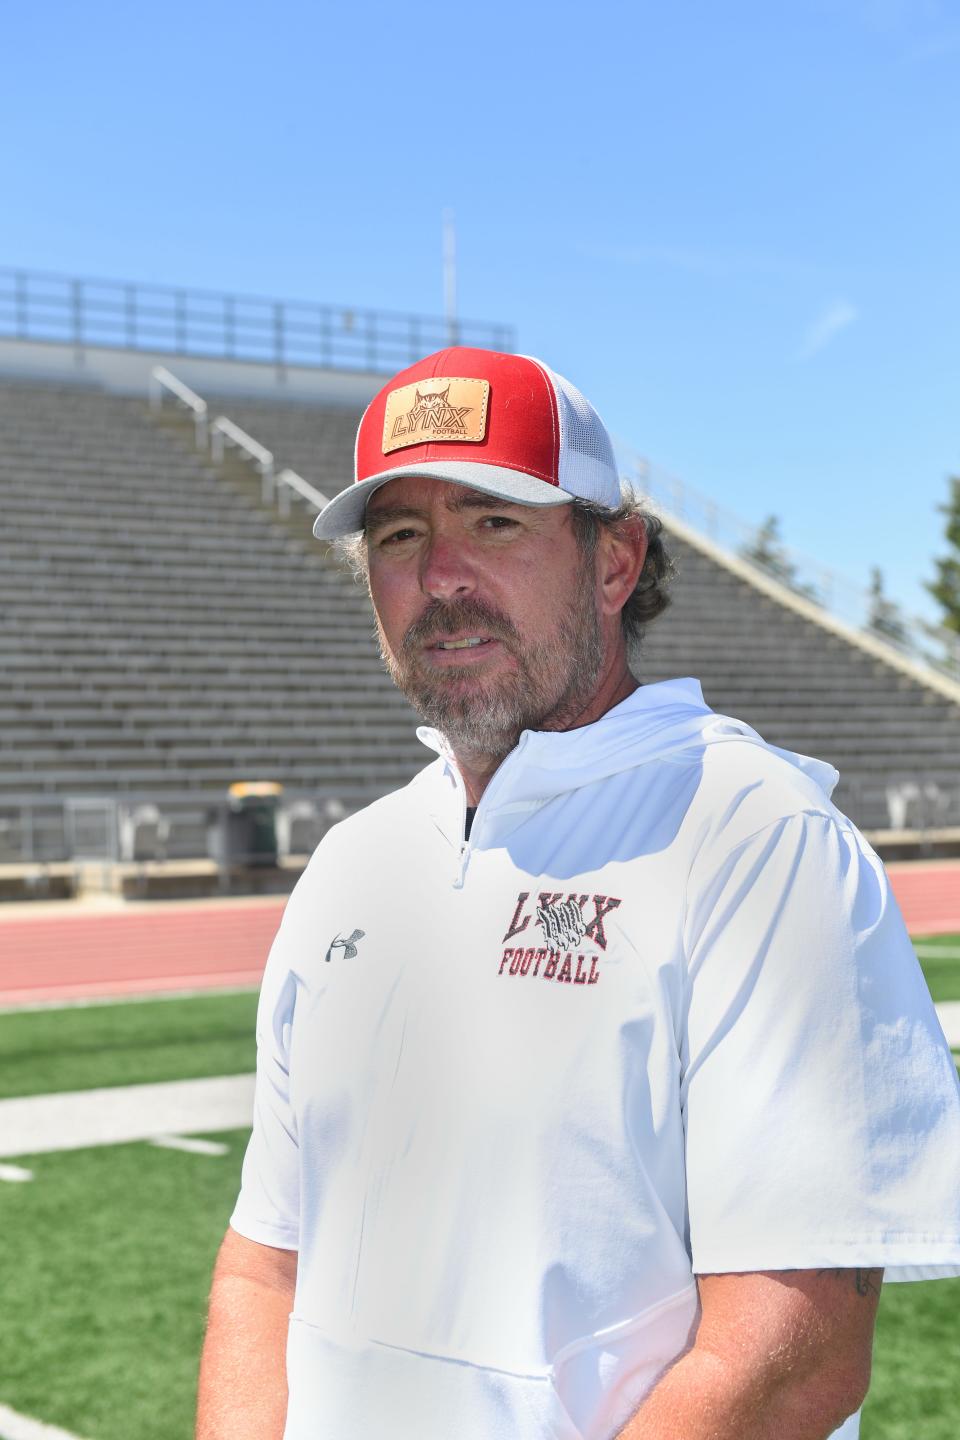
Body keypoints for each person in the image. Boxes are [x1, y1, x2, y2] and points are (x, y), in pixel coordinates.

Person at [196, 348, 960, 1440]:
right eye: (401, 537)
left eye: (494, 522)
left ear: (617, 560)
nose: (441, 577)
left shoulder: (753, 835)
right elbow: (263, 1269)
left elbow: (789, 1357)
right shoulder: (354, 864)